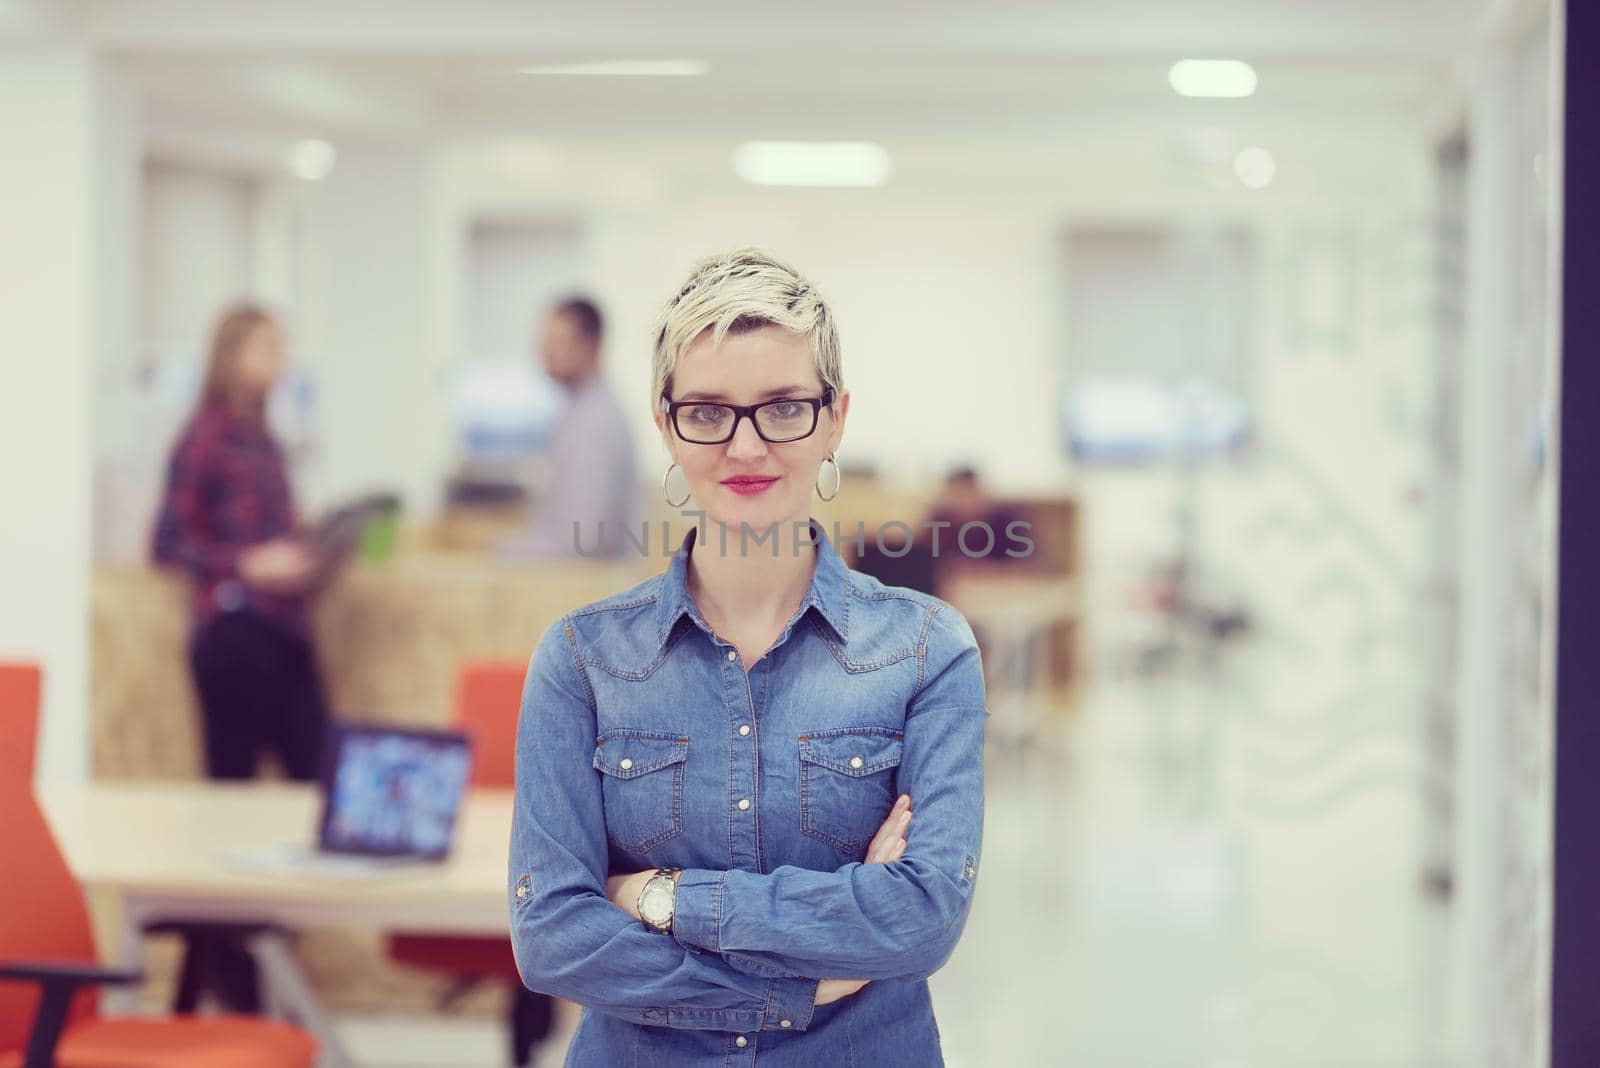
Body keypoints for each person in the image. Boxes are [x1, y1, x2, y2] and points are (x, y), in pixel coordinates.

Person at [508, 249, 988, 1066]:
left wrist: (658, 897)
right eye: (708, 411)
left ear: (834, 418)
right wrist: (797, 984)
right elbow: (553, 937)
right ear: (666, 425)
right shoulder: (582, 659)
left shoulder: (925, 650)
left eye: (782, 409)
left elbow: (920, 917)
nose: (746, 446)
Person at [150, 302, 341, 1011]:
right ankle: (225, 977)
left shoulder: (266, 441)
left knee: (314, 793)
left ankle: (266, 965)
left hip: (287, 635)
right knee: (227, 807)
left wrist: (305, 547)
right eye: (265, 348)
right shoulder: (205, 438)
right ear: (231, 354)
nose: (277, 361)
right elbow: (167, 542)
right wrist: (249, 563)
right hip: (233, 635)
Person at [504, 296, 639, 558]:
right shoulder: (577, 411)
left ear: (591, 346)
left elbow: (582, 542)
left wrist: (505, 552)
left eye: (557, 342)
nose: (545, 352)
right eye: (544, 342)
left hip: (591, 586)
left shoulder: (597, 421)